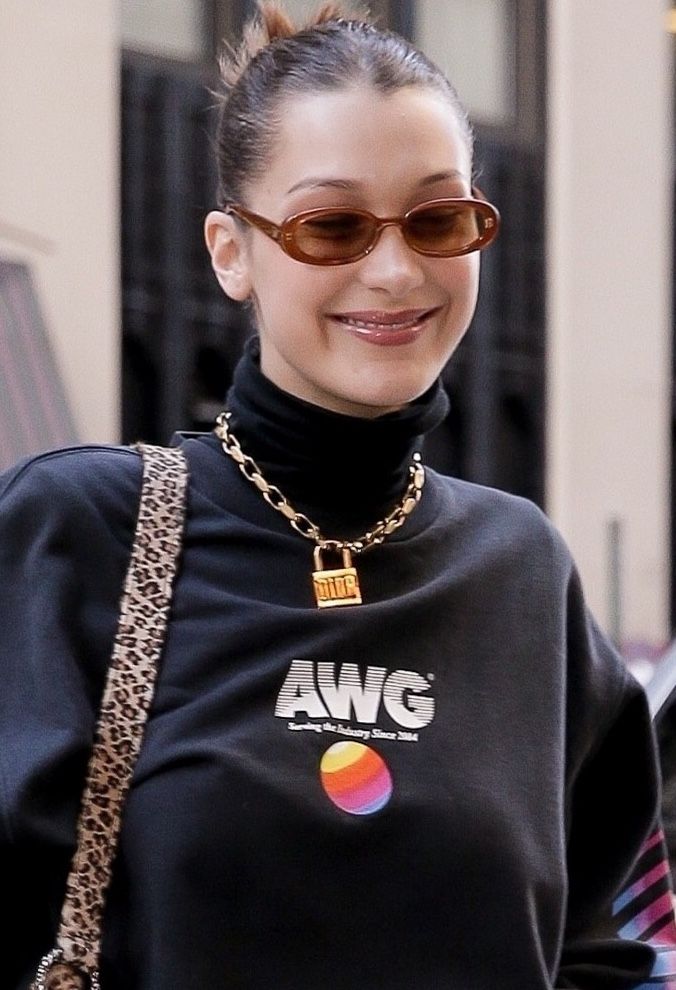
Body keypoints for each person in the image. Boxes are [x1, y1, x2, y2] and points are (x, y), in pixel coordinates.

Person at [1, 2, 674, 988]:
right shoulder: (77, 530)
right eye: (332, 227)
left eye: (438, 219)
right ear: (231, 251)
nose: (395, 271)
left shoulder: (524, 569)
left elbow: (611, 950)